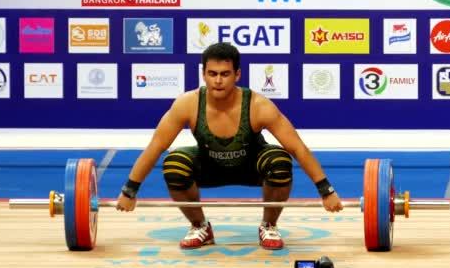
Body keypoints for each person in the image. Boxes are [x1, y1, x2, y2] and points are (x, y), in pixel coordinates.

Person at [116, 42, 343, 250]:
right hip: (210, 166)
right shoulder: (187, 104)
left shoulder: (258, 105)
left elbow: (298, 148)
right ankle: (200, 227)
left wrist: (326, 191)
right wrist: (129, 190)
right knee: (174, 162)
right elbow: (155, 146)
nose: (218, 80)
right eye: (212, 74)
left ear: (237, 74)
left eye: (225, 74)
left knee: (280, 159)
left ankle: (268, 225)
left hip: (251, 167)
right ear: (203, 74)